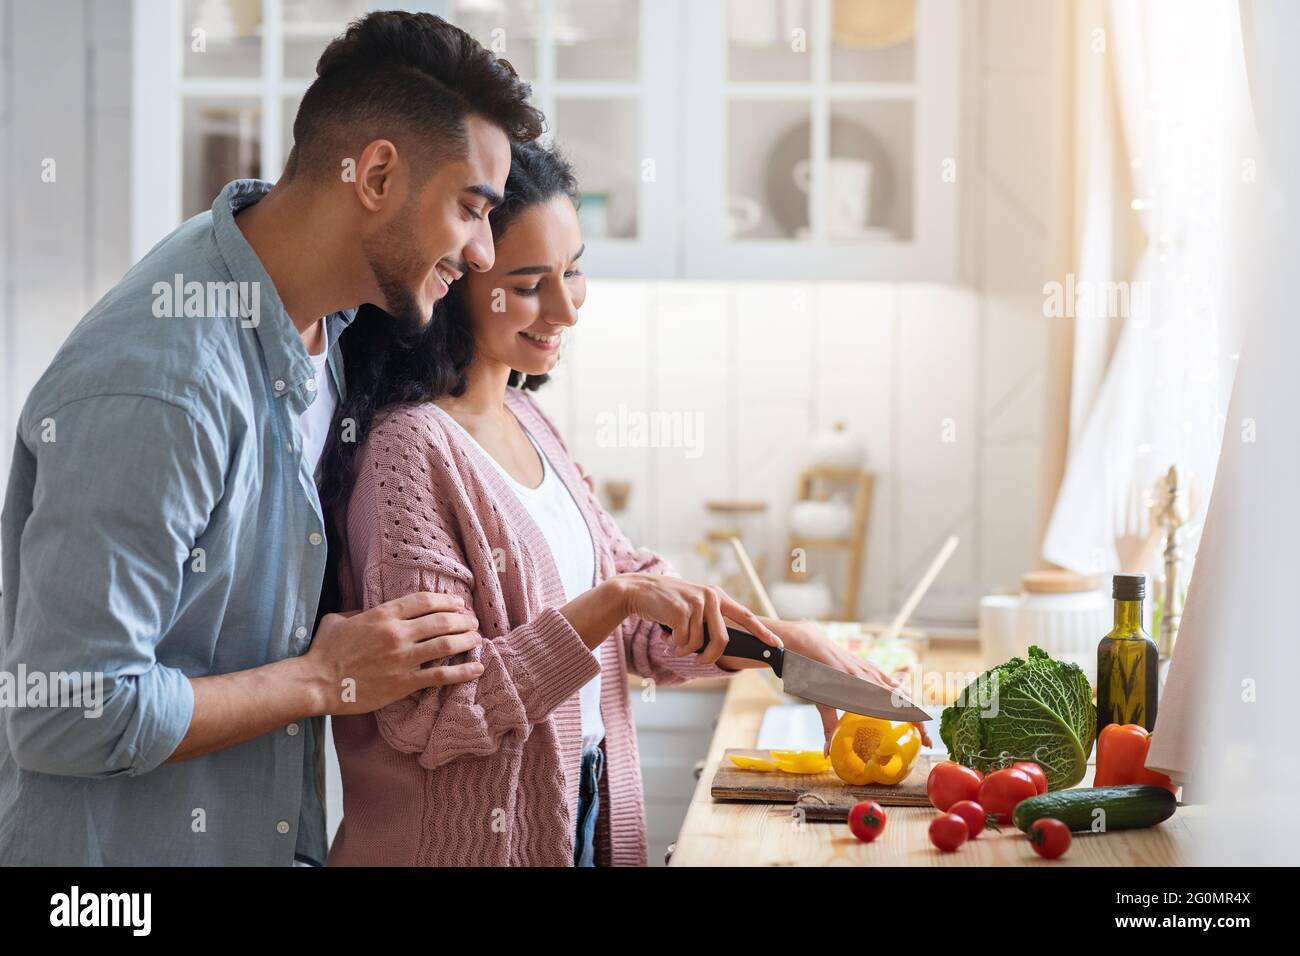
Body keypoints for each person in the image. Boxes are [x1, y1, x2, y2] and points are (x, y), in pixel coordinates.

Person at [0, 11, 541, 866]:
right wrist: (323, 680)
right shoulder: (163, 385)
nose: (481, 252)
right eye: (470, 210)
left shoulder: (317, 321)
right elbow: (68, 712)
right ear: (375, 174)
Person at [320, 141, 920, 866]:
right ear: (455, 282)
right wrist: (617, 600)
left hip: (582, 804)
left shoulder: (525, 419)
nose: (567, 308)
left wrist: (785, 643)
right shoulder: (406, 451)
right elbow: (437, 714)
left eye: (574, 271)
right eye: (531, 282)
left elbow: (640, 629)